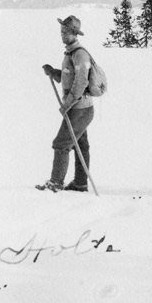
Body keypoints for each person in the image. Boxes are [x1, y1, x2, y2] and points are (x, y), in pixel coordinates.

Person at [37, 15, 94, 192]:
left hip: (79, 109)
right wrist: (53, 72)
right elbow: (68, 78)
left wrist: (66, 105)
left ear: (75, 34)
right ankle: (80, 183)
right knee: (79, 144)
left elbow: (81, 83)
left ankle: (56, 183)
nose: (63, 35)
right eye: (62, 31)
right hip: (80, 108)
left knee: (61, 144)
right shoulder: (71, 53)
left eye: (67, 32)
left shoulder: (80, 54)